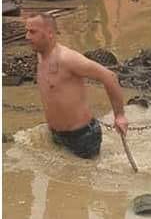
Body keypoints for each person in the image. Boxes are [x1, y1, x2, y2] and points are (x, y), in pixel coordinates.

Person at [25, 13, 128, 159]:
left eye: (32, 32)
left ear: (49, 33)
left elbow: (109, 77)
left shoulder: (68, 59)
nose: (27, 36)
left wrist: (120, 116)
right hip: (56, 134)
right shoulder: (40, 55)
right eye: (27, 31)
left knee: (85, 179)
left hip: (82, 137)